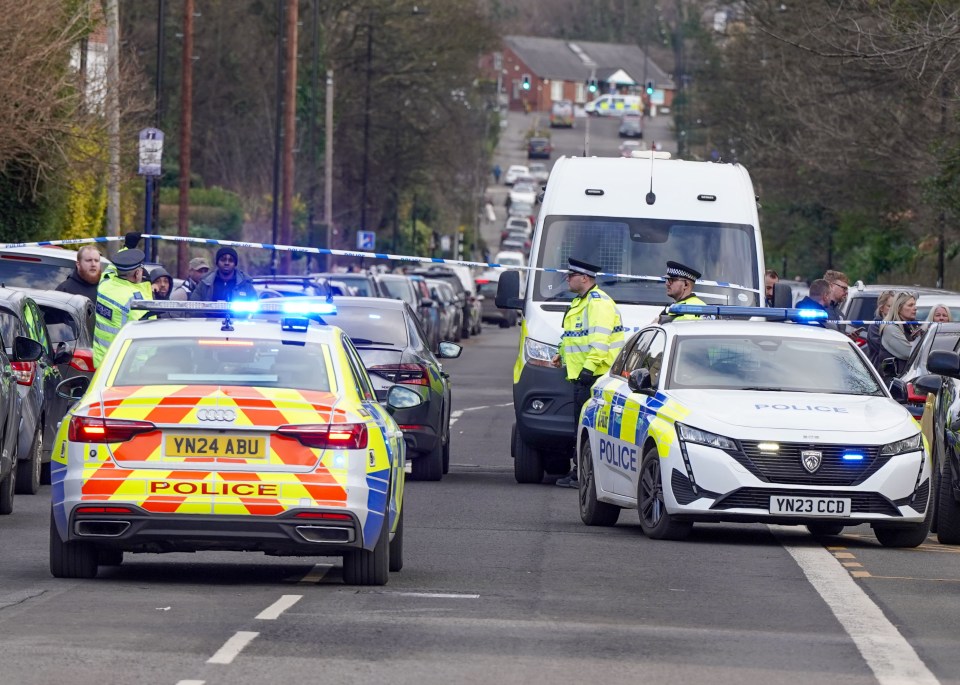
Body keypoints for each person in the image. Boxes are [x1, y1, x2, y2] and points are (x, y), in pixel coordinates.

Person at [550, 257, 625, 488]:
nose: (567, 278)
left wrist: (587, 371)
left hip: (594, 377)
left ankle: (582, 476)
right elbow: (572, 335)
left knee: (588, 431)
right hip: (582, 375)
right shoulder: (580, 302)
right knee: (582, 429)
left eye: (571, 275)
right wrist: (560, 354)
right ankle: (580, 473)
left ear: (584, 278)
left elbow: (600, 343)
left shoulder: (598, 303)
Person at [93, 248, 153, 368]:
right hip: (121, 367)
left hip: (100, 360)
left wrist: (127, 247)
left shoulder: (105, 283)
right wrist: (140, 368)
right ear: (137, 274)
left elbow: (112, 267)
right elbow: (145, 341)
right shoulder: (136, 300)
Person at [189, 246, 257, 302]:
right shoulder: (205, 283)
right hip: (209, 318)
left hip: (238, 319)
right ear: (217, 262)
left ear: (235, 264)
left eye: (231, 260)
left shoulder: (245, 284)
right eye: (223, 259)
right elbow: (193, 306)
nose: (226, 263)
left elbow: (255, 309)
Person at [879, 291, 923, 377]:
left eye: (914, 305)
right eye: (910, 305)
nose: (915, 308)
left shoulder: (911, 325)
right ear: (898, 308)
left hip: (906, 378)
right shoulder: (890, 328)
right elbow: (909, 353)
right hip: (892, 382)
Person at [866, 290, 895, 367]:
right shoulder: (875, 326)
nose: (893, 309)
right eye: (889, 306)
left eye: (894, 306)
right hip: (880, 370)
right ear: (882, 308)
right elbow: (883, 348)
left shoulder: (897, 323)